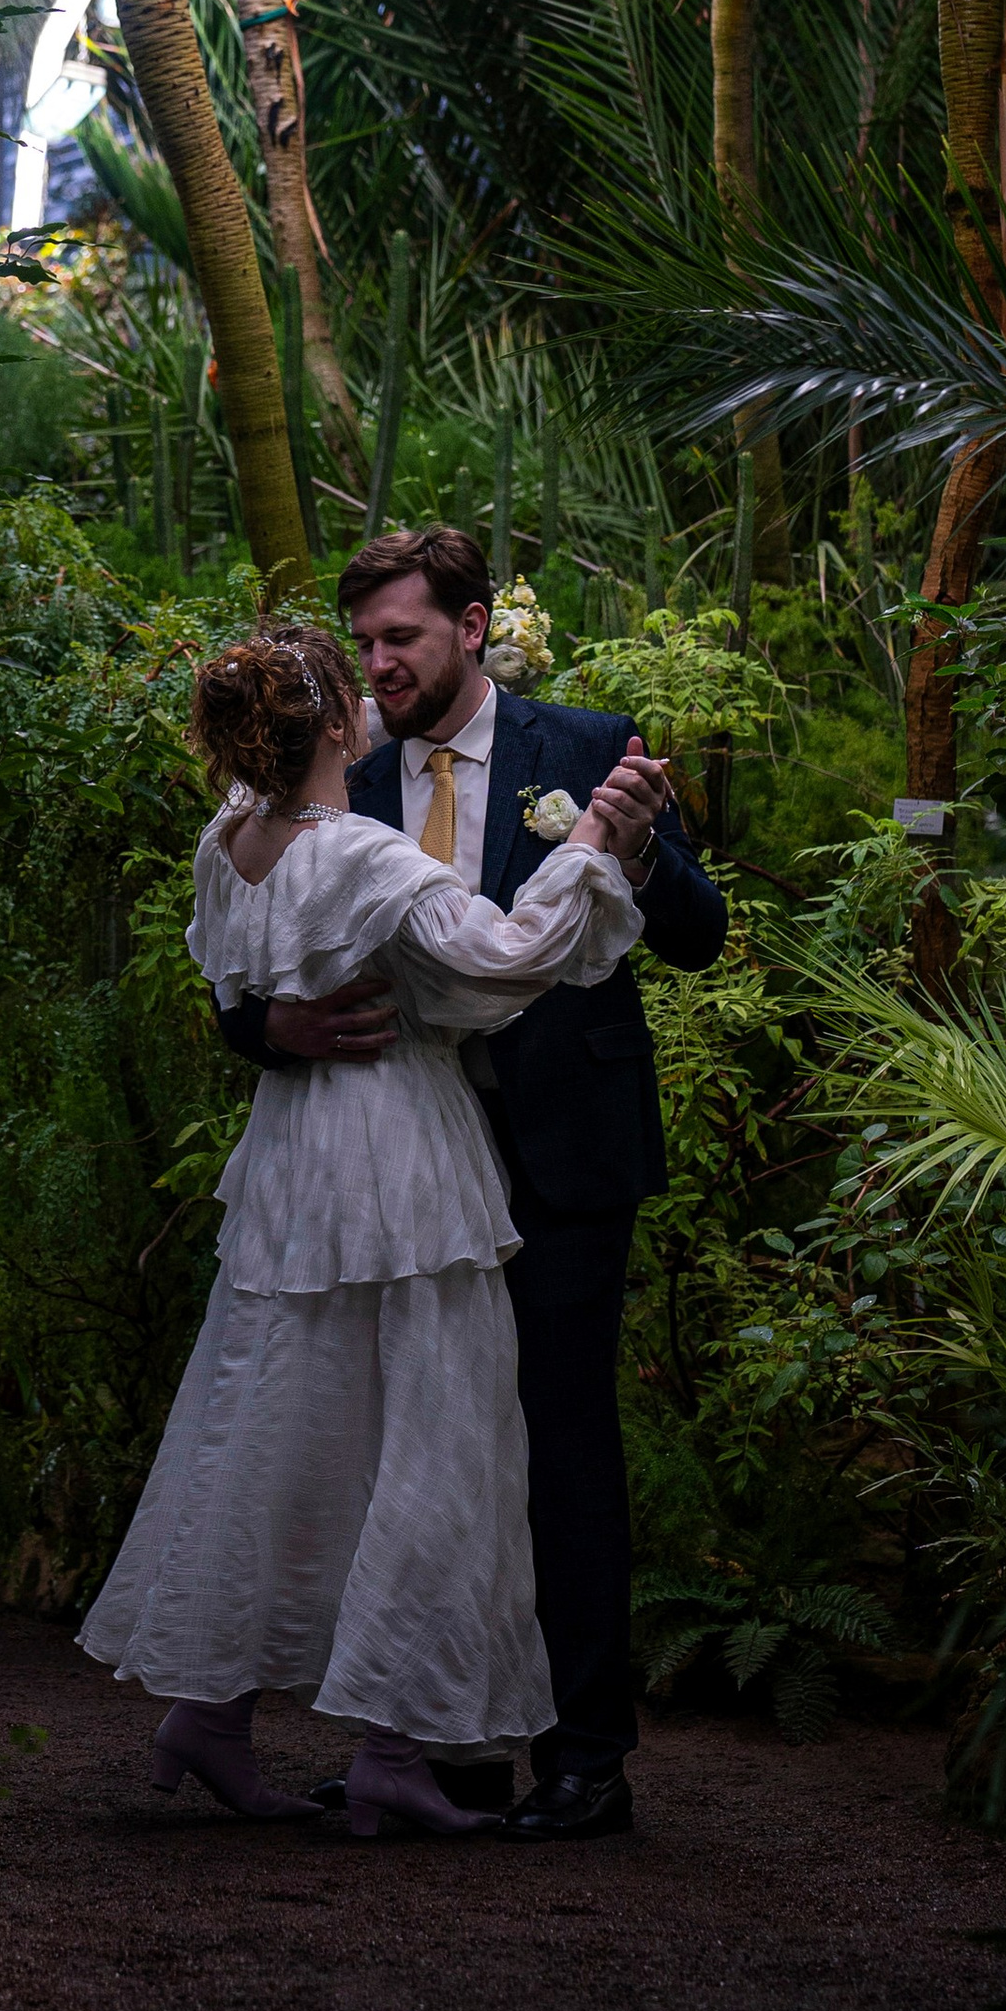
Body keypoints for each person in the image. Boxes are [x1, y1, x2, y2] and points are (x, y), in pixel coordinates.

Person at [77, 619, 670, 1836]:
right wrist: (595, 846)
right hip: (397, 1157)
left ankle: (211, 1713)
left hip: (294, 1161)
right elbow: (506, 957)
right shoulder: (361, 852)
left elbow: (241, 988)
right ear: (337, 722)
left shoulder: (227, 841)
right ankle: (396, 1746)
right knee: (433, 1430)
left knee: (276, 1418)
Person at [215, 528, 727, 1841]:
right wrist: (275, 1032)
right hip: (400, 1163)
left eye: (404, 638)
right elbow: (247, 964)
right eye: (368, 643)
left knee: (558, 1450)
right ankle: (442, 1744)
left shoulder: (585, 740)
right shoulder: (342, 776)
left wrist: (636, 837)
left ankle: (584, 1760)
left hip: (559, 1154)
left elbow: (697, 931)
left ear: (474, 625)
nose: (381, 663)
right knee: (421, 1458)